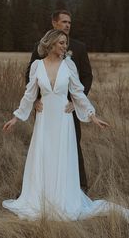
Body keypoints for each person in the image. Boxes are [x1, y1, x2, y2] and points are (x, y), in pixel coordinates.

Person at [2, 29, 129, 225]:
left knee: (61, 158)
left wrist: (92, 115)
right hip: (45, 120)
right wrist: (16, 117)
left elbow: (78, 93)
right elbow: (29, 94)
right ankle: (41, 200)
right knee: (44, 157)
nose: (65, 46)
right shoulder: (37, 66)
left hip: (63, 121)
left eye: (66, 43)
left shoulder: (68, 65)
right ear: (51, 44)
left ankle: (62, 200)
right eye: (62, 43)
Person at [25, 10, 93, 192]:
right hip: (46, 108)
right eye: (64, 21)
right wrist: (36, 100)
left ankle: (79, 186)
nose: (67, 25)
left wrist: (77, 102)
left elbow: (86, 76)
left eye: (69, 22)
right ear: (54, 23)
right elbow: (30, 76)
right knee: (45, 145)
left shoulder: (79, 47)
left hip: (68, 107)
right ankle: (41, 187)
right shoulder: (40, 47)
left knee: (72, 144)